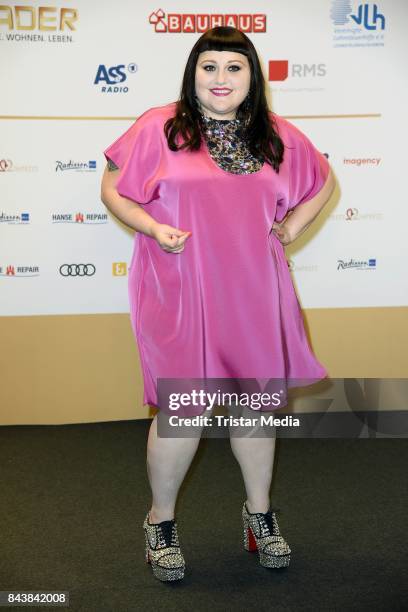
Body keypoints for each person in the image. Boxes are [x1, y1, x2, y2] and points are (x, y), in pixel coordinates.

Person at [101, 26, 335, 582]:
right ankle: (160, 520)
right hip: (182, 286)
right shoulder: (158, 126)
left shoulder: (275, 134)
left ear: (252, 75)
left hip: (256, 287)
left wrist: (291, 228)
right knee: (184, 410)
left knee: (255, 407)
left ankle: (260, 515)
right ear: (193, 73)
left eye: (235, 67)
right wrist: (153, 226)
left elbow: (322, 182)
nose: (222, 78)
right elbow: (113, 188)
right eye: (210, 67)